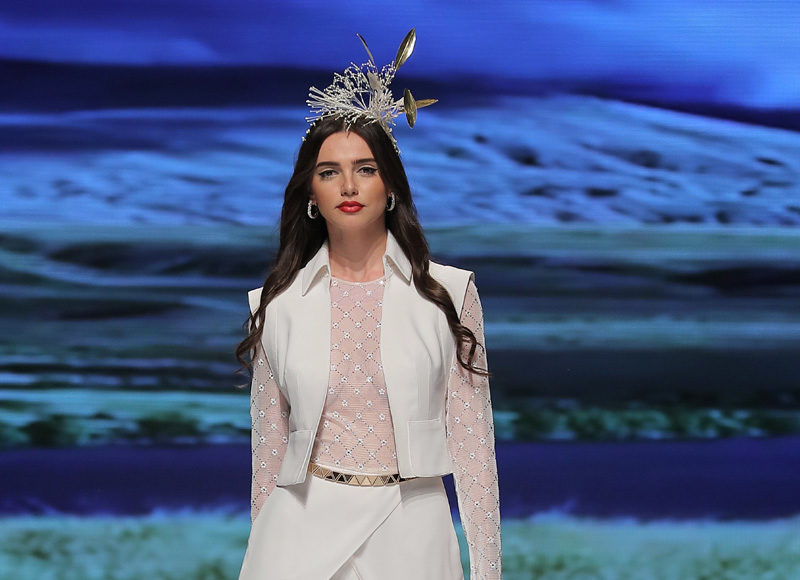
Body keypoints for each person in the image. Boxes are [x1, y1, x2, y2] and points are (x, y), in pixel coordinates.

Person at [234, 29, 501, 580]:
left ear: (391, 187)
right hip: (297, 532)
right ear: (311, 194)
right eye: (329, 172)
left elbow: (474, 444)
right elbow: (269, 453)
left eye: (366, 168)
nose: (348, 186)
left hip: (413, 529)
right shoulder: (277, 303)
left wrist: (488, 570)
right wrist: (262, 552)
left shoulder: (448, 295)